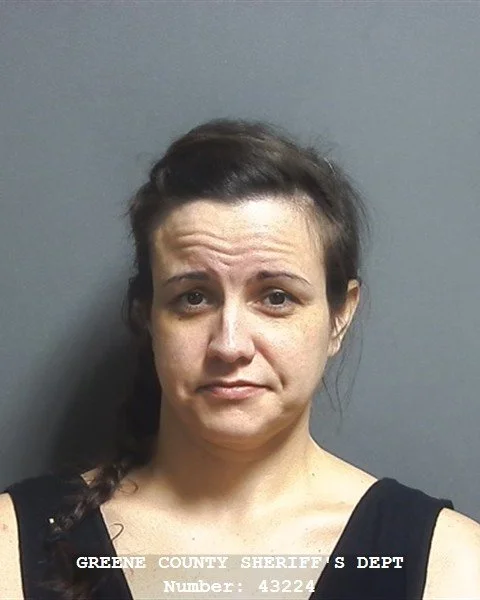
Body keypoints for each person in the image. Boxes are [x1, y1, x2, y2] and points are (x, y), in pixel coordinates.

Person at [1, 118, 479, 600]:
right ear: (147, 318)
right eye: (193, 298)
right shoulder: (13, 545)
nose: (230, 345)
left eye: (276, 297)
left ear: (339, 316)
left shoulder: (450, 563)